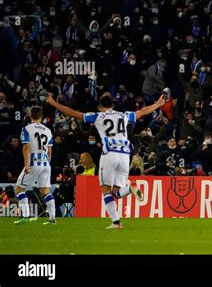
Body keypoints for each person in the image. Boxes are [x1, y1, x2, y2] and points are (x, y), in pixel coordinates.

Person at [46, 94, 165, 229]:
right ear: (113, 106)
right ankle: (130, 189)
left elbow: (74, 113)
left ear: (101, 107)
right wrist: (157, 105)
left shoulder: (98, 116)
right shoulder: (124, 115)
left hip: (110, 154)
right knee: (116, 192)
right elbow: (142, 112)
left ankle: (116, 222)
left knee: (106, 189)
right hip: (125, 155)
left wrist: (53, 103)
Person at [14, 106, 56, 225]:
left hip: (33, 163)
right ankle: (52, 219)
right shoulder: (48, 131)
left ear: (30, 116)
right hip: (46, 164)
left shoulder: (27, 129)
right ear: (41, 117)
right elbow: (50, 151)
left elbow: (26, 147)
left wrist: (27, 165)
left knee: (19, 188)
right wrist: (47, 162)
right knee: (45, 190)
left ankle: (25, 216)